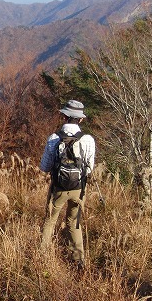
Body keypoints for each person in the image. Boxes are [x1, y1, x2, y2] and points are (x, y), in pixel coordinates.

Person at [39, 99, 96, 269]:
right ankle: (79, 262)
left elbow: (44, 167)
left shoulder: (54, 138)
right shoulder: (88, 140)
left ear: (64, 116)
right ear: (81, 119)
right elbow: (89, 169)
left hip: (58, 189)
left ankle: (42, 260)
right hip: (78, 189)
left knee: (50, 221)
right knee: (73, 223)